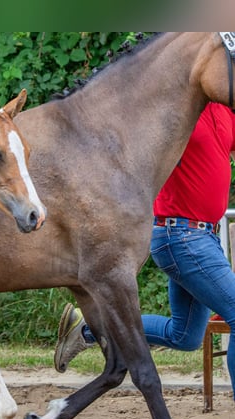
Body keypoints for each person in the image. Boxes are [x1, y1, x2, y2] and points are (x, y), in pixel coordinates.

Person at [55, 102, 235, 398]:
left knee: (185, 335)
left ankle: (87, 329)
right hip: (182, 235)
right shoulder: (179, 107)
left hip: (205, 238)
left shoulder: (224, 111)